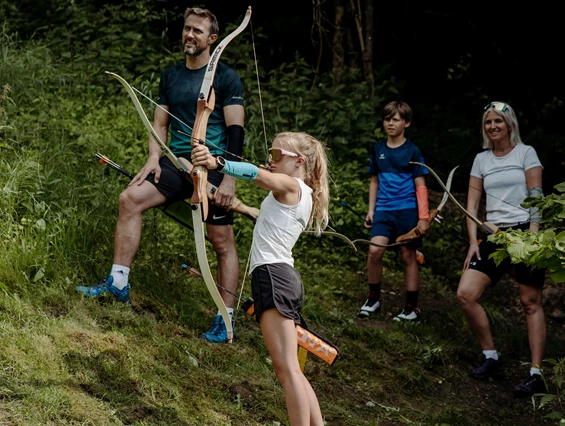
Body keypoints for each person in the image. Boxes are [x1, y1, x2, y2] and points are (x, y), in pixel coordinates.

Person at [77, 7, 245, 343]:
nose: (189, 35)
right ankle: (119, 284)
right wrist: (155, 157)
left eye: (198, 31)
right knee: (130, 199)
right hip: (173, 163)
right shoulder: (170, 76)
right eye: (187, 29)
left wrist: (229, 178)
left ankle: (225, 319)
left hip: (211, 168)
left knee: (221, 241)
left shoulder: (226, 77)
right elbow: (160, 123)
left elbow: (236, 130)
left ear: (213, 39)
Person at [192, 132, 327, 426]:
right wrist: (237, 204)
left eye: (277, 155)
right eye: (270, 152)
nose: (271, 159)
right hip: (284, 278)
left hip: (273, 277)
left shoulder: (291, 184)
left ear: (298, 162)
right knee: (293, 370)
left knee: (287, 370)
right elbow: (268, 215)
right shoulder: (301, 193)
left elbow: (256, 174)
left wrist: (217, 162)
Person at [456, 101, 546, 397]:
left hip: (525, 232)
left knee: (529, 301)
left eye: (498, 121)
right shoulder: (482, 159)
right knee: (466, 293)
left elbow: (536, 197)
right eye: (487, 122)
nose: (492, 126)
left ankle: (536, 373)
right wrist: (473, 242)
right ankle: (490, 356)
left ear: (509, 124)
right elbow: (470, 207)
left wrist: (533, 238)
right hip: (494, 234)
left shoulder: (526, 153)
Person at [358, 101, 430, 322]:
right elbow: (374, 181)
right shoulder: (378, 149)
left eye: (395, 119)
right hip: (383, 210)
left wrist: (423, 217)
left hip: (407, 211)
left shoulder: (412, 150)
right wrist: (371, 210)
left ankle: (411, 308)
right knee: (374, 252)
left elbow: (421, 185)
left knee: (408, 255)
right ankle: (373, 298)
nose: (390, 123)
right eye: (387, 118)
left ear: (406, 123)